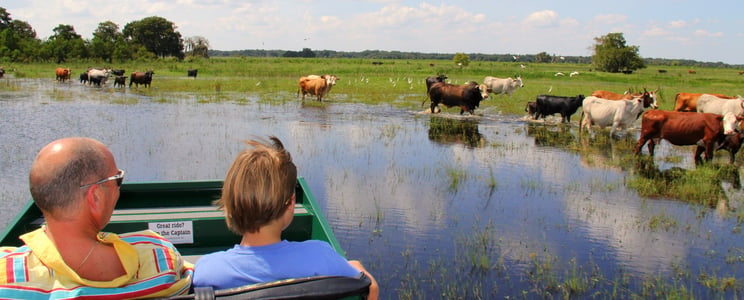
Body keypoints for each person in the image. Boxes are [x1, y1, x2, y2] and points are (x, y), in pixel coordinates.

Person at [0, 137, 193, 299]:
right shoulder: (159, 260)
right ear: (96, 197)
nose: (119, 188)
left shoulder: (8, 277)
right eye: (117, 179)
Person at [192, 136, 378, 299]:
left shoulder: (207, 271)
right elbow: (370, 289)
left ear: (229, 204)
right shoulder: (321, 255)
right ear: (291, 203)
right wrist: (357, 267)